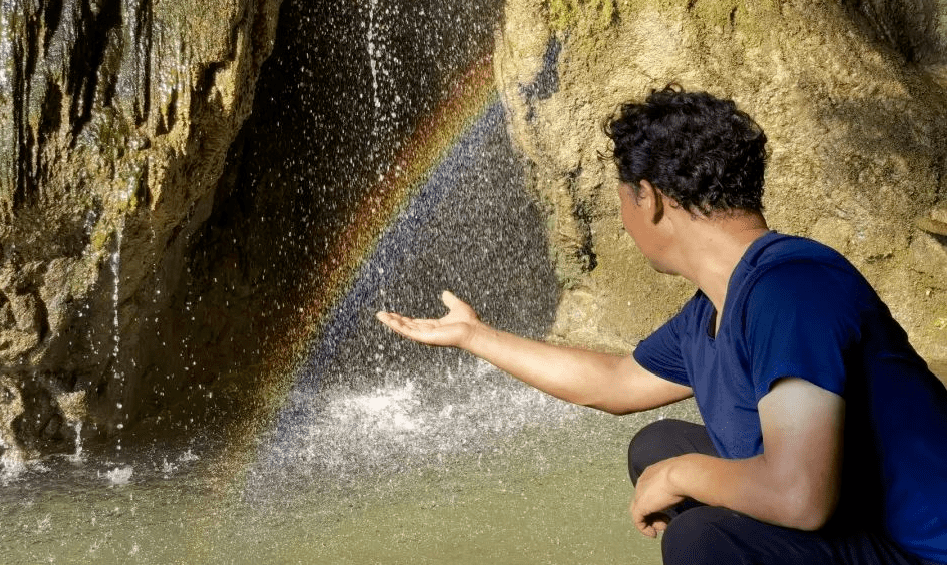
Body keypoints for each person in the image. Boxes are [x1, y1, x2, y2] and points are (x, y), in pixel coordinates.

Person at [376, 85, 947, 565]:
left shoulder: (791, 291)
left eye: (622, 196)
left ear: (648, 198)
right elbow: (617, 383)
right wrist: (476, 336)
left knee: (703, 536)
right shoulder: (718, 305)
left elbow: (801, 497)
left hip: (921, 553)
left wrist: (682, 475)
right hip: (862, 524)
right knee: (658, 444)